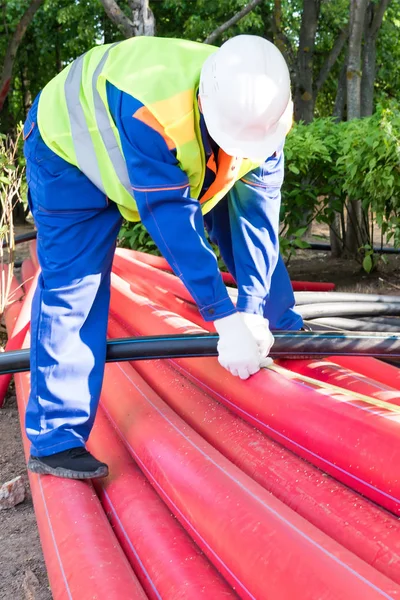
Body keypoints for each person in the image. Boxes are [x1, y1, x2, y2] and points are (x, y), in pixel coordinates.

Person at [23, 34, 303, 480]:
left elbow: (257, 219)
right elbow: (172, 218)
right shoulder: (152, 108)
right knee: (75, 282)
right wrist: (224, 319)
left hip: (168, 145)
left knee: (247, 237)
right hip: (68, 151)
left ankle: (287, 340)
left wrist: (252, 308)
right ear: (206, 108)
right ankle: (58, 437)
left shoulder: (264, 115)